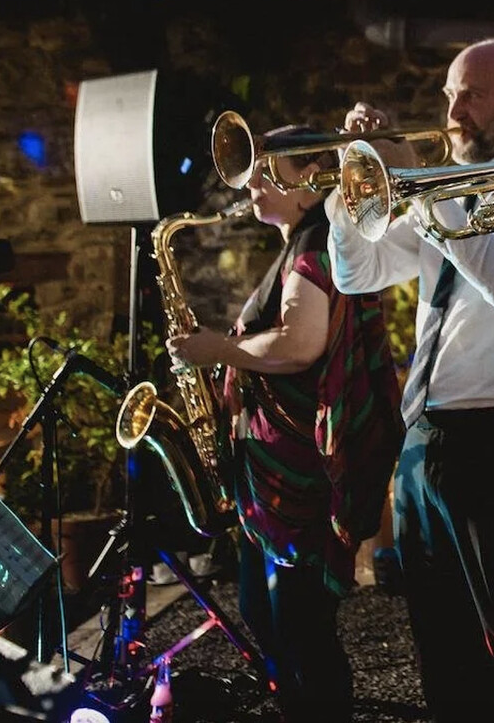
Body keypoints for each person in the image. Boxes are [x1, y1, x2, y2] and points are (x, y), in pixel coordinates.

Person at [324, 39, 494, 723]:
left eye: (472, 93)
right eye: (450, 92)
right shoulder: (440, 195)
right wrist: (349, 186)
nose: (454, 107)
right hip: (427, 438)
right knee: (444, 652)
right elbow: (358, 276)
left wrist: (419, 184)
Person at [166, 131, 402, 723]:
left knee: (299, 630)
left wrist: (218, 347)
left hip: (298, 479)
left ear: (314, 178)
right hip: (271, 477)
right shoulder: (298, 245)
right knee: (272, 616)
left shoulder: (314, 247)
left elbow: (300, 344)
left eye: (269, 170)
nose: (251, 183)